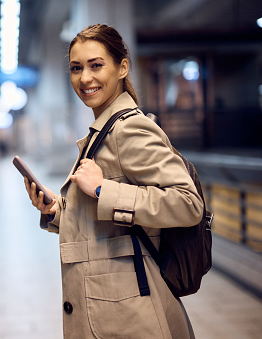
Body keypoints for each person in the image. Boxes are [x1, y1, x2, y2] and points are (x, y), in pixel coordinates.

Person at [23, 24, 204, 338]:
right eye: (76, 68)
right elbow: (102, 227)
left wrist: (102, 189)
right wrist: (55, 210)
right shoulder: (102, 133)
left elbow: (188, 204)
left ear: (122, 67)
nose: (85, 78)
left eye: (96, 65)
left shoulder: (129, 130)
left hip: (129, 315)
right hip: (112, 309)